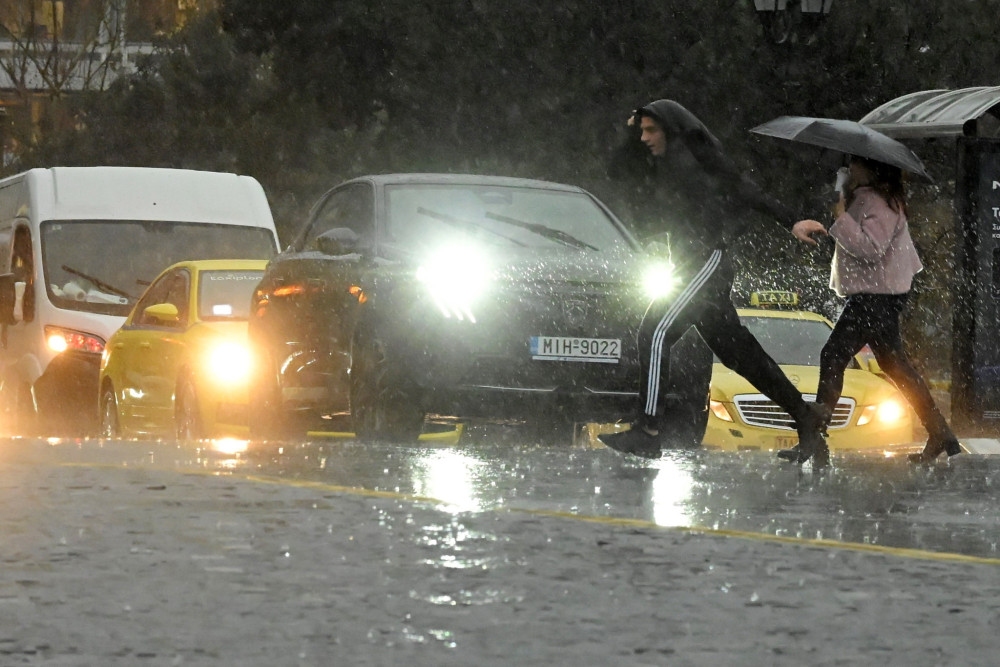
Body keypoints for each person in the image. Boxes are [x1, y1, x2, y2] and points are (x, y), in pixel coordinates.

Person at [599, 98, 828, 462]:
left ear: (671, 130)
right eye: (641, 130)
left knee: (654, 332)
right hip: (691, 265)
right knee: (740, 355)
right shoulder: (660, 163)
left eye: (650, 130)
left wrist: (791, 221)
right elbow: (616, 170)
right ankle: (806, 420)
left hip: (706, 263)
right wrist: (631, 133)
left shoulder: (698, 162)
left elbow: (745, 189)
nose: (644, 138)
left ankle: (648, 431)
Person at [779, 156, 962, 464]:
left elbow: (869, 249)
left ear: (872, 169)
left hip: (876, 297)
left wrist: (841, 216)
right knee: (895, 365)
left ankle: (814, 435)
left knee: (834, 354)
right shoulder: (869, 198)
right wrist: (841, 207)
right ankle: (941, 434)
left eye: (856, 165)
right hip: (878, 295)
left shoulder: (879, 202)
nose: (850, 170)